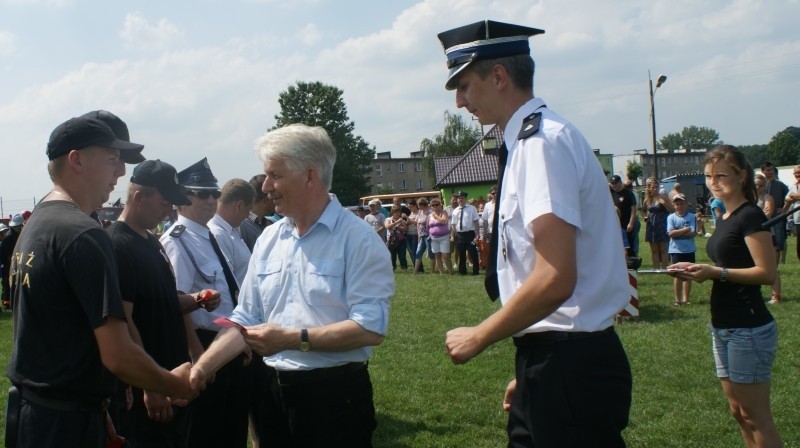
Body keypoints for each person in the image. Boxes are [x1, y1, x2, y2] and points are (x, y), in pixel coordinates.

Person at [438, 20, 631, 447]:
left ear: (500, 77)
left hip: (570, 363)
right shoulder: (529, 143)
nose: (459, 102)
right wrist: (530, 371)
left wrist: (479, 335)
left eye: (465, 85)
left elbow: (554, 277)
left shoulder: (542, 144)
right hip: (554, 360)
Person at [188, 123, 394, 447]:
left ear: (310, 176)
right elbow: (245, 318)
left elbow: (370, 329)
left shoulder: (358, 239)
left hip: (333, 399)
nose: (266, 186)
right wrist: (200, 370)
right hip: (270, 394)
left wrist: (291, 339)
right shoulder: (270, 238)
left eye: (275, 175)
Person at [5, 115, 197, 448]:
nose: (121, 172)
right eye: (112, 159)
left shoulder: (39, 224)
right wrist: (172, 384)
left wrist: (93, 404)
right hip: (63, 425)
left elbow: (54, 333)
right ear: (76, 160)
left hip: (39, 413)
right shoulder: (83, 235)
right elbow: (118, 354)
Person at [669, 145, 782, 447]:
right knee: (738, 412)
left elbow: (766, 273)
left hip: (748, 327)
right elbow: (725, 263)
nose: (713, 182)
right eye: (708, 176)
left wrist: (715, 273)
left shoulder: (749, 215)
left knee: (755, 415)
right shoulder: (726, 215)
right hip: (723, 326)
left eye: (721, 175)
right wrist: (696, 269)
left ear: (741, 175)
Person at [109, 159, 212, 447]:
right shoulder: (118, 246)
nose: (170, 210)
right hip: (149, 390)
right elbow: (125, 320)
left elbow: (163, 302)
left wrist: (195, 302)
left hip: (171, 379)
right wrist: (150, 386)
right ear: (139, 198)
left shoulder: (151, 241)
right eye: (165, 202)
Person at [160, 158, 251, 448]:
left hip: (228, 342)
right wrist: (197, 353)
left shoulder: (210, 235)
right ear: (180, 200)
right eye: (201, 193)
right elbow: (178, 304)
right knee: (206, 432)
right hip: (205, 346)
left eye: (214, 193)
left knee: (232, 429)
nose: (211, 199)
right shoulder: (178, 240)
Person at [208, 178, 256, 285]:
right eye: (248, 209)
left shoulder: (230, 230)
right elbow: (228, 281)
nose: (248, 215)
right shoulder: (217, 234)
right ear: (239, 205)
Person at [755, 174, 781, 304]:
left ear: (764, 186)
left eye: (761, 185)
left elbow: (768, 214)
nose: (758, 187)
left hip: (767, 235)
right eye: (756, 185)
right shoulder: (748, 198)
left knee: (771, 266)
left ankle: (776, 295)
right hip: (753, 235)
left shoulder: (767, 198)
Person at [666, 193, 696, 306]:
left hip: (689, 249)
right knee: (677, 274)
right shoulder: (671, 217)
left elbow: (692, 233)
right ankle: (677, 300)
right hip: (675, 250)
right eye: (677, 204)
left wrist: (678, 232)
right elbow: (671, 234)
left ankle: (686, 299)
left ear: (685, 204)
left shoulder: (691, 217)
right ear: (674, 205)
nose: (680, 206)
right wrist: (685, 230)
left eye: (681, 203)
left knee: (688, 274)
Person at [642, 176, 673, 269]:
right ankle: (656, 269)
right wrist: (645, 217)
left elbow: (672, 210)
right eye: (652, 187)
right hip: (651, 226)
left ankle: (664, 268)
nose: (655, 189)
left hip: (662, 224)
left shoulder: (663, 197)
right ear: (649, 188)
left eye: (656, 187)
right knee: (654, 250)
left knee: (663, 249)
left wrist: (665, 204)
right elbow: (643, 211)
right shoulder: (647, 200)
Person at [761, 161, 789, 264]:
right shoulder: (760, 184)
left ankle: (782, 260)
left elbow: (788, 198)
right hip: (764, 216)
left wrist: (783, 209)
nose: (770, 172)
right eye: (768, 170)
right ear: (763, 171)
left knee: (780, 238)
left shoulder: (780, 185)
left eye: (772, 169)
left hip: (778, 216)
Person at [240, 174, 276, 251]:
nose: (276, 200)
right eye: (274, 196)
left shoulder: (271, 224)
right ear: (267, 199)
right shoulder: (241, 227)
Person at [449, 191, 480, 275]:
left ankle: (475, 271)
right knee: (461, 253)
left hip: (470, 234)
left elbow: (476, 221)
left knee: (473, 252)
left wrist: (477, 234)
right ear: (457, 200)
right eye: (459, 198)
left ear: (465, 199)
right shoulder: (455, 211)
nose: (460, 199)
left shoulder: (472, 208)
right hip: (460, 235)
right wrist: (453, 235)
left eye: (462, 198)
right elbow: (453, 224)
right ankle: (462, 271)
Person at [610, 175, 637, 257]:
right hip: (615, 224)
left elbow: (633, 208)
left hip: (626, 224)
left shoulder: (628, 193)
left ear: (620, 183)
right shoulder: (611, 193)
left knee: (629, 246)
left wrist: (631, 223)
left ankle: (631, 264)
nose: (614, 185)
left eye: (616, 183)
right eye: (612, 183)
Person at [0, 213, 24, 309]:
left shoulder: (13, 235)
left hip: (12, 264)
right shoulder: (10, 237)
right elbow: (3, 254)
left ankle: (9, 301)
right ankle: (7, 302)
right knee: (7, 284)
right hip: (8, 265)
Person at [428, 198, 452, 275]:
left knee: (445, 256)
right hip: (434, 239)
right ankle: (441, 272)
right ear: (431, 206)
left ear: (440, 205)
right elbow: (428, 226)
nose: (435, 206)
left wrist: (436, 216)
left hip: (444, 237)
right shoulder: (429, 216)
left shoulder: (443, 212)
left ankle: (450, 272)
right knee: (437, 255)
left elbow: (444, 221)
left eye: (436, 205)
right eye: (433, 205)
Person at [782, 165, 800, 261]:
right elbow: (787, 199)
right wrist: (794, 196)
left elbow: (791, 197)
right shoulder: (794, 185)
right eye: (796, 173)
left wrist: (793, 196)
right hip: (797, 220)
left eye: (799, 172)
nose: (798, 174)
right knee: (799, 245)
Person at [385, 205, 409, 270]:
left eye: (399, 212)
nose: (398, 214)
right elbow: (387, 226)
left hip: (401, 240)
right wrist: (396, 223)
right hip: (391, 240)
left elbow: (405, 229)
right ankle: (393, 267)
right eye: (396, 212)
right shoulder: (388, 219)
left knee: (402, 255)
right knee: (392, 255)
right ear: (393, 212)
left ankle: (404, 267)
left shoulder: (401, 220)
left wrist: (398, 227)